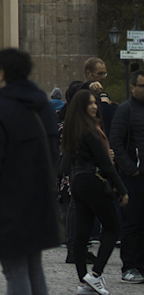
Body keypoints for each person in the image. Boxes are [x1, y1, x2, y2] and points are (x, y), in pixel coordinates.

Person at [0, 47, 61, 295]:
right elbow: (53, 151)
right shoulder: (42, 106)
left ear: (0, 74)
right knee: (33, 268)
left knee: (15, 270)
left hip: (7, 202)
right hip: (39, 198)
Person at [62, 88, 128, 293]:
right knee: (113, 229)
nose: (94, 106)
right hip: (93, 180)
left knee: (82, 235)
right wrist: (122, 189)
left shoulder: (73, 130)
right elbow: (106, 164)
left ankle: (84, 280)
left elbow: (64, 164)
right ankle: (96, 274)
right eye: (89, 103)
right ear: (81, 107)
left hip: (79, 181)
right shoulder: (90, 131)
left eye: (95, 102)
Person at [110, 68, 144, 283]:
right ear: (132, 87)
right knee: (132, 223)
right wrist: (131, 168)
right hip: (133, 177)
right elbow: (116, 142)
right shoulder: (126, 110)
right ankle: (129, 266)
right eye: (143, 86)